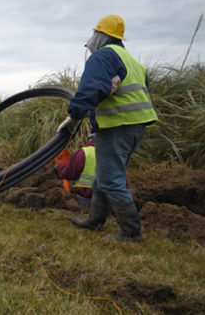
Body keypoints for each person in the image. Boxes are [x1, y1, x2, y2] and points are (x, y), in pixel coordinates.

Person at [57, 14, 158, 241]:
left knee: (111, 180)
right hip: (137, 126)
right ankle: (95, 220)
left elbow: (90, 89)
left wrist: (74, 117)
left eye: (94, 33)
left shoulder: (103, 57)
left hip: (117, 125)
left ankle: (131, 232)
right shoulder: (130, 60)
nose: (91, 39)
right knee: (103, 176)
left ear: (101, 35)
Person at [56, 134, 96, 207]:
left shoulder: (83, 153)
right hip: (110, 201)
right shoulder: (114, 154)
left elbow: (68, 173)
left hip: (86, 199)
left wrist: (59, 168)